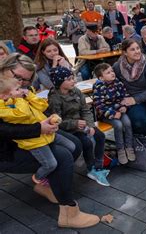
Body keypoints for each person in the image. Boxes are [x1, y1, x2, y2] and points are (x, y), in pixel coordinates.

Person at [0, 59, 98, 229]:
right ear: (4, 69)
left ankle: (47, 183)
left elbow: (39, 108)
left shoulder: (18, 89)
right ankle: (69, 212)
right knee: (62, 156)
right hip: (7, 148)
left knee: (74, 144)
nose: (22, 83)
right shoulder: (6, 94)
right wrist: (39, 128)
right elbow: (6, 128)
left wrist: (48, 120)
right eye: (18, 77)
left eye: (27, 80)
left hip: (31, 134)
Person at [0, 76, 75, 185]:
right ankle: (38, 177)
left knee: (71, 146)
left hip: (46, 133)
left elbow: (43, 105)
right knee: (50, 164)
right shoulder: (3, 108)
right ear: (4, 95)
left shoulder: (16, 99)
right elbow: (23, 114)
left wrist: (30, 96)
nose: (21, 91)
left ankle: (56, 171)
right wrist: (21, 99)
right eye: (17, 89)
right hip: (33, 141)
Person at [47, 66, 110, 186]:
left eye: (73, 78)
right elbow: (56, 121)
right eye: (69, 79)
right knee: (86, 142)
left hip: (83, 124)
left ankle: (99, 166)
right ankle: (91, 168)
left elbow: (85, 110)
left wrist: (91, 125)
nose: (74, 81)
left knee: (99, 135)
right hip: (69, 129)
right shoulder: (54, 98)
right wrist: (74, 124)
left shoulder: (76, 91)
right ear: (60, 82)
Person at [92, 63, 135, 165]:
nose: (112, 73)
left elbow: (125, 96)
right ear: (101, 77)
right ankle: (120, 149)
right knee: (118, 125)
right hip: (106, 114)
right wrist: (112, 113)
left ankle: (129, 147)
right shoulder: (98, 86)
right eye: (108, 72)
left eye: (112, 71)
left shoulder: (117, 83)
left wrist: (125, 106)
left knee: (127, 123)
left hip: (119, 110)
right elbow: (98, 105)